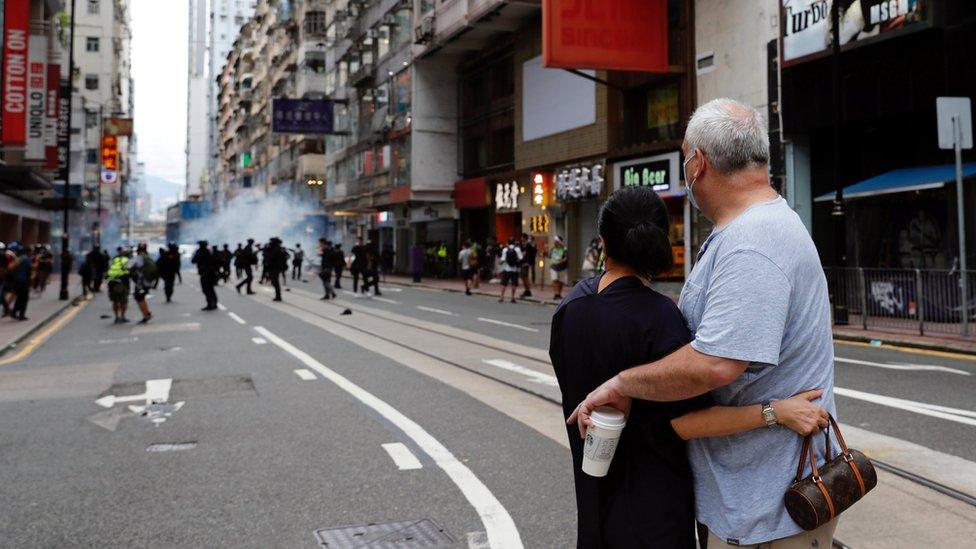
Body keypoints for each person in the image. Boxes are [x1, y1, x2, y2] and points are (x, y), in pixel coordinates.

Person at [568, 98, 840, 547]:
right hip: (751, 499)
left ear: (698, 164)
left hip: (769, 506)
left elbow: (715, 365)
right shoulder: (748, 229)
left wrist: (621, 383)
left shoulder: (753, 243)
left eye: (683, 158)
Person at [125, 242, 156, 324]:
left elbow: (128, 266)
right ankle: (147, 313)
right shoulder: (147, 257)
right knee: (141, 297)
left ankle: (146, 315)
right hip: (148, 282)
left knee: (139, 298)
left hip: (141, 283)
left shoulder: (139, 258)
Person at [106, 247, 131, 323]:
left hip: (112, 283)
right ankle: (122, 316)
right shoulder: (127, 260)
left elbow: (109, 270)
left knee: (115, 301)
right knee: (124, 301)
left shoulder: (115, 260)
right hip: (123, 283)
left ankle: (116, 317)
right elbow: (130, 271)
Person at [192, 240, 219, 311]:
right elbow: (193, 261)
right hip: (207, 273)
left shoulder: (204, 252)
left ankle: (211, 303)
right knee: (208, 289)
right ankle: (212, 303)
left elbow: (194, 260)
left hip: (207, 273)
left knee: (207, 289)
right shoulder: (206, 252)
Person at [8, 245, 32, 321]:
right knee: (24, 298)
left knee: (19, 297)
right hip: (24, 282)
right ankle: (21, 315)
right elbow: (29, 271)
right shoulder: (27, 259)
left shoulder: (18, 259)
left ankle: (14, 312)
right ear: (28, 252)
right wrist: (30, 282)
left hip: (16, 281)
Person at [498, 238, 521, 303]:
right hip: (514, 269)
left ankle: (501, 297)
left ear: (508, 242)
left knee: (504, 283)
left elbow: (502, 259)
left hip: (506, 269)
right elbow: (520, 258)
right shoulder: (517, 249)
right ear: (514, 242)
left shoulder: (505, 249)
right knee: (514, 284)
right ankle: (512, 297)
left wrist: (500, 263)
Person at [549, 236, 569, 301]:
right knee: (555, 280)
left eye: (556, 241)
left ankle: (559, 294)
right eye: (554, 241)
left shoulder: (564, 249)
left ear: (560, 242)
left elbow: (566, 258)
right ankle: (556, 293)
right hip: (553, 266)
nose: (555, 243)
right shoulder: (553, 249)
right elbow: (549, 256)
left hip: (562, 267)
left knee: (561, 281)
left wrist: (560, 261)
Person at [520, 233, 537, 298]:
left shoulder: (528, 245)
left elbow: (526, 254)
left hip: (526, 263)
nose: (521, 238)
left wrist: (529, 262)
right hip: (522, 262)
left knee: (525, 276)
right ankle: (526, 290)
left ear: (525, 238)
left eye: (522, 237)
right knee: (522, 276)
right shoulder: (522, 245)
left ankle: (528, 290)